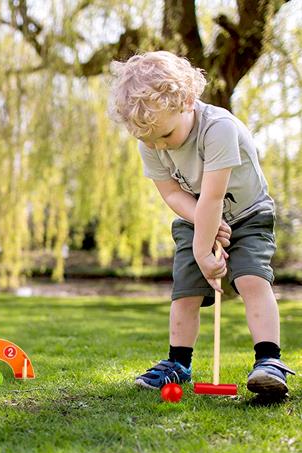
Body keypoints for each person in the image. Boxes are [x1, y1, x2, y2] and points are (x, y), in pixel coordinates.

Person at [107, 50, 295, 396]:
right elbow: (172, 193)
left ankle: (269, 360)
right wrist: (202, 230)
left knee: (252, 279)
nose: (157, 146)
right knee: (185, 291)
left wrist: (205, 248)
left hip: (248, 215)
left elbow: (212, 196)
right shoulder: (150, 138)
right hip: (195, 216)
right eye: (148, 141)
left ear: (188, 102)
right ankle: (178, 363)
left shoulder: (218, 129)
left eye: (165, 136)